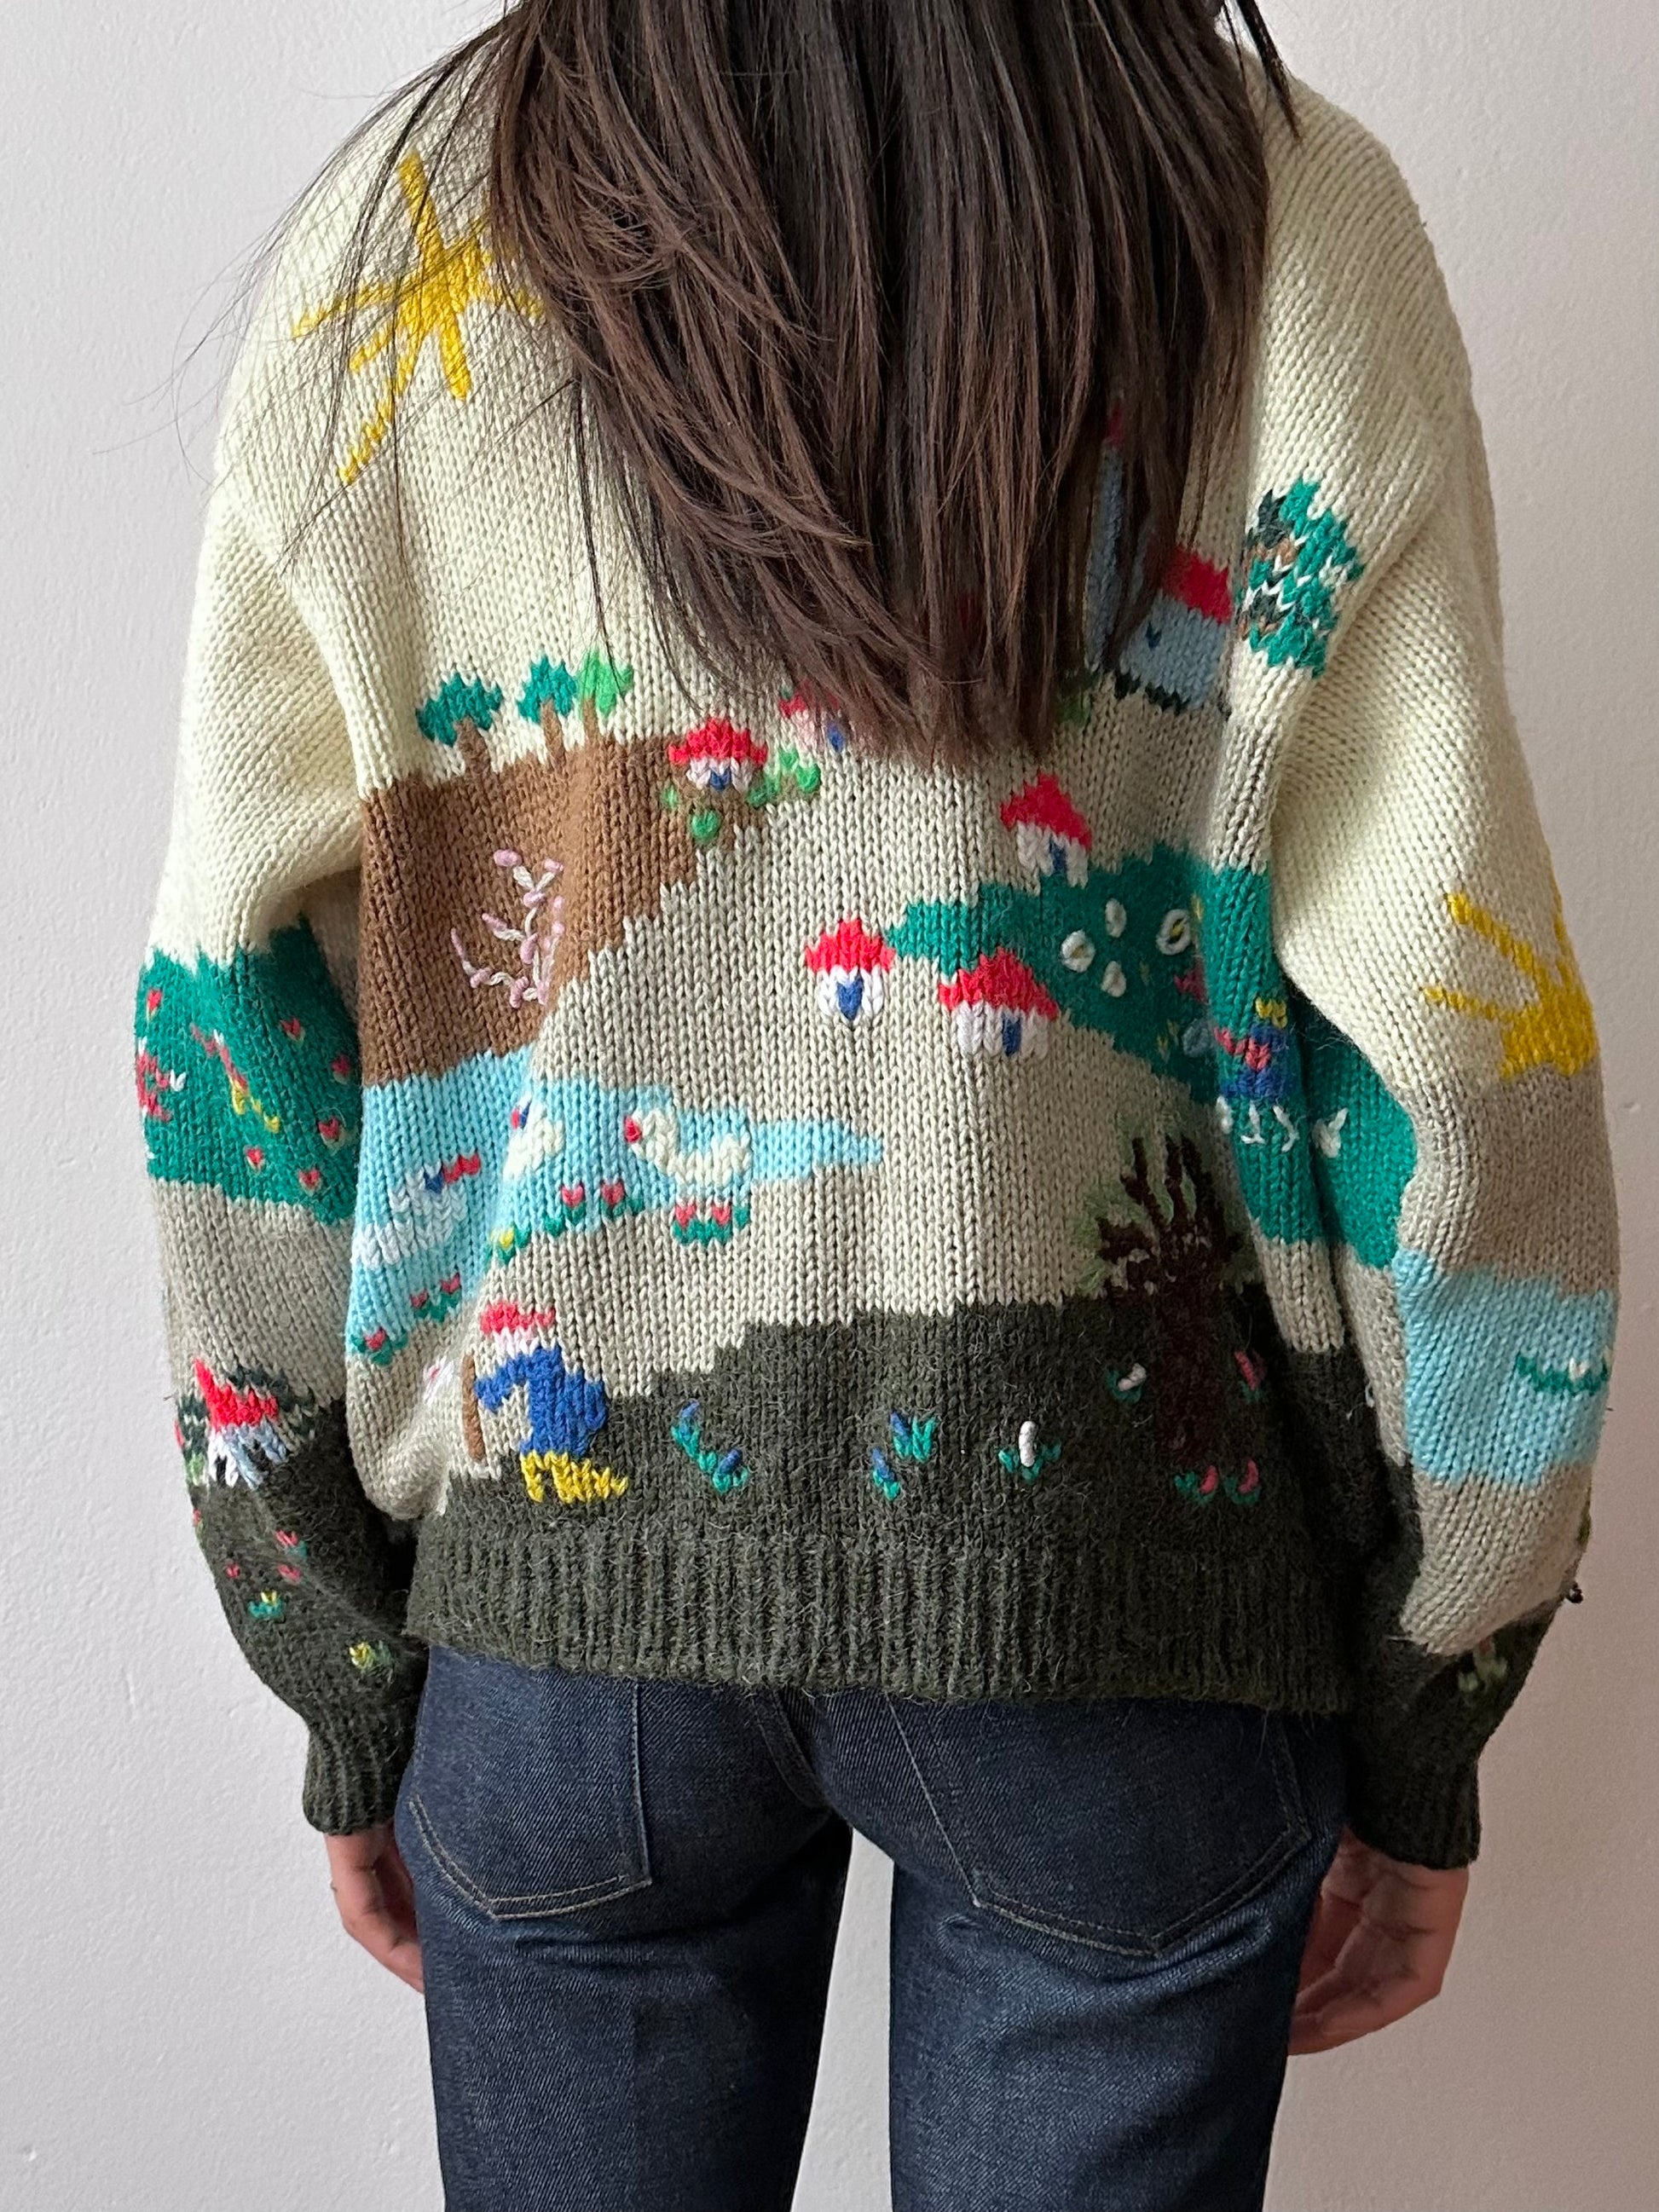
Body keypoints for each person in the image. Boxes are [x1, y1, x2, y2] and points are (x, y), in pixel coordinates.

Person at [134, 3, 1618, 2207]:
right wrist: (1435, 1688)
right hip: (1124, 1611)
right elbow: (1462, 1047)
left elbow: (235, 1026)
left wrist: (341, 1653)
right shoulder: (1284, 213)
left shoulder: (411, 239)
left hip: (555, 1642)